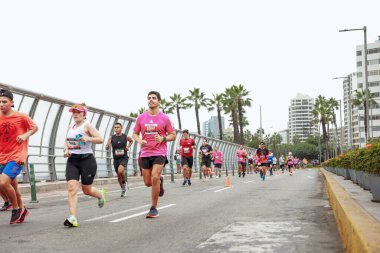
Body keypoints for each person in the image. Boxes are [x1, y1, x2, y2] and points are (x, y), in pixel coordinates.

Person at [133, 91, 176, 218]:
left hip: (159, 152)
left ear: (159, 101)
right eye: (149, 98)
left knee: (155, 177)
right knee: (147, 182)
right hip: (145, 152)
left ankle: (153, 208)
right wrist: (140, 140)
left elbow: (173, 135)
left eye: (154, 98)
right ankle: (160, 182)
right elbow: (135, 133)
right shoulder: (141, 118)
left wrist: (163, 138)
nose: (151, 100)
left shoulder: (165, 118)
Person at [63, 103, 106, 227]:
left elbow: (100, 139)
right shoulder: (72, 126)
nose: (75, 114)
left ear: (84, 114)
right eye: (73, 112)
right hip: (73, 160)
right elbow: (66, 141)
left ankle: (100, 194)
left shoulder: (87, 125)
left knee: (86, 190)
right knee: (72, 188)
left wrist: (88, 139)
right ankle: (73, 218)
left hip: (87, 160)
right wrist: (66, 150)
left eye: (78, 112)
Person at [0, 89, 38, 224]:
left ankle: (15, 208)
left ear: (11, 103)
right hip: (2, 156)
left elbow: (34, 127)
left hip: (17, 156)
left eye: (4, 102)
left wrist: (25, 135)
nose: (1, 104)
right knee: (13, 188)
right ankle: (23, 209)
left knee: (3, 182)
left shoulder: (21, 117)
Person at [105, 122, 133, 197]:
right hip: (116, 158)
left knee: (121, 171)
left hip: (123, 157)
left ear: (121, 128)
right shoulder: (112, 137)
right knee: (118, 176)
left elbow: (131, 141)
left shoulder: (125, 136)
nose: (116, 129)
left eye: (118, 127)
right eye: (115, 127)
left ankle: (124, 183)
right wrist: (107, 146)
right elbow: (108, 145)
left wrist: (128, 147)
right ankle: (123, 188)